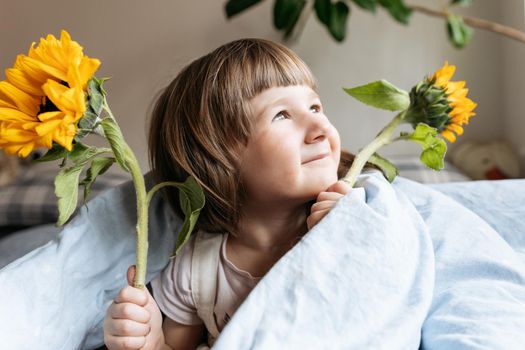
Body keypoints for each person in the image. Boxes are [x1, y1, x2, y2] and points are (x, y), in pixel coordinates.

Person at [103, 38, 353, 350]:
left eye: (315, 106)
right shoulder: (196, 270)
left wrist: (348, 239)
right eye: (282, 115)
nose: (320, 125)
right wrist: (150, 342)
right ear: (217, 158)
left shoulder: (349, 217)